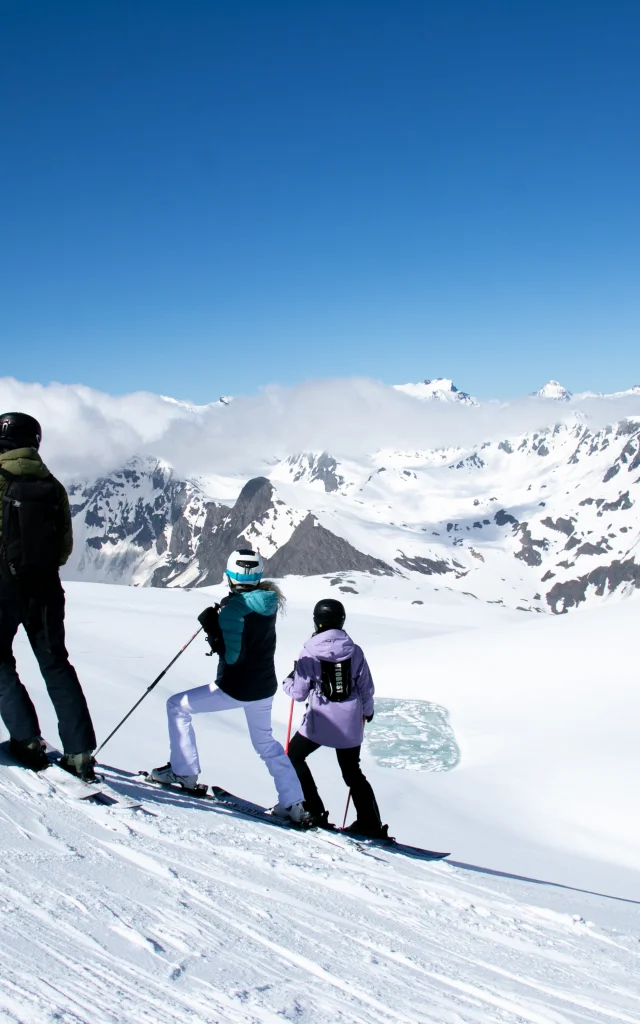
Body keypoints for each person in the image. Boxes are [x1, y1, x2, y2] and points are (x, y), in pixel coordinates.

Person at [151, 549, 306, 822]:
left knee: (177, 706)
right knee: (266, 744)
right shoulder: (268, 601)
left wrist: (214, 630)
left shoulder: (234, 609)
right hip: (263, 687)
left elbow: (232, 656)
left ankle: (184, 771)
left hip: (235, 688)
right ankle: (293, 803)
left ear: (230, 576)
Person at [0, 411, 97, 778]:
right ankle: (80, 753)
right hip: (46, 588)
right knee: (56, 663)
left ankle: (26, 740)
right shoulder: (52, 485)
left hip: (3, 587)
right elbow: (63, 549)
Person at [283, 598, 388, 838]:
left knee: (294, 756)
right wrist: (368, 712)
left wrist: (287, 683)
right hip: (350, 723)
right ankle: (370, 823)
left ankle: (313, 809)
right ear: (341, 620)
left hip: (320, 722)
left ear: (316, 621)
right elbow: (366, 688)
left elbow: (299, 694)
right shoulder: (355, 651)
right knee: (352, 773)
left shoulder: (308, 652)